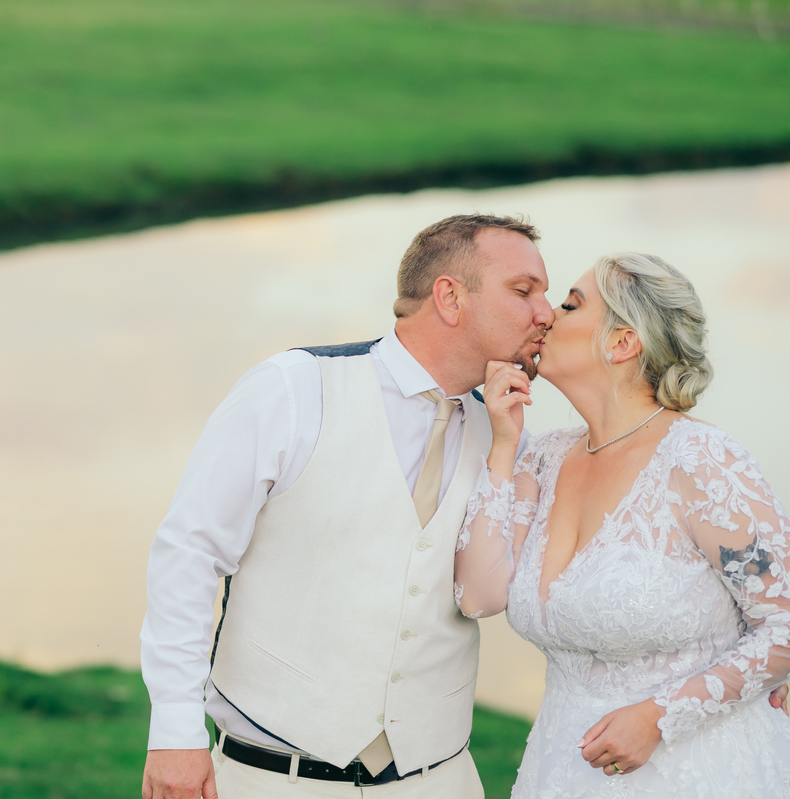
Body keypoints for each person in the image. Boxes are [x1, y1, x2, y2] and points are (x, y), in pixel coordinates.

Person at [139, 213, 553, 799]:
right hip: (271, 779)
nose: (547, 313)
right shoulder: (293, 389)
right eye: (523, 291)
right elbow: (188, 554)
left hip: (439, 781)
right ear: (450, 297)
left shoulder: (510, 440)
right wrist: (175, 732)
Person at [454, 252, 790, 797]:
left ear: (622, 343)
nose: (546, 315)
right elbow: (477, 595)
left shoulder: (703, 462)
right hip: (562, 767)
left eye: (570, 304)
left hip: (699, 768)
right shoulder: (541, 460)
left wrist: (660, 716)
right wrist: (503, 444)